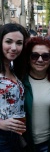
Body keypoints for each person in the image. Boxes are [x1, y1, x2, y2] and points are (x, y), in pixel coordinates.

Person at [22, 36, 50, 152]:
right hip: (25, 144)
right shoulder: (19, 81)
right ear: (28, 58)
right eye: (34, 56)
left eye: (45, 56)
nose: (40, 60)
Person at [0, 23, 29, 151]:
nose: (14, 48)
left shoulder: (13, 69)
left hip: (16, 136)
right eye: (8, 42)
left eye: (19, 43)